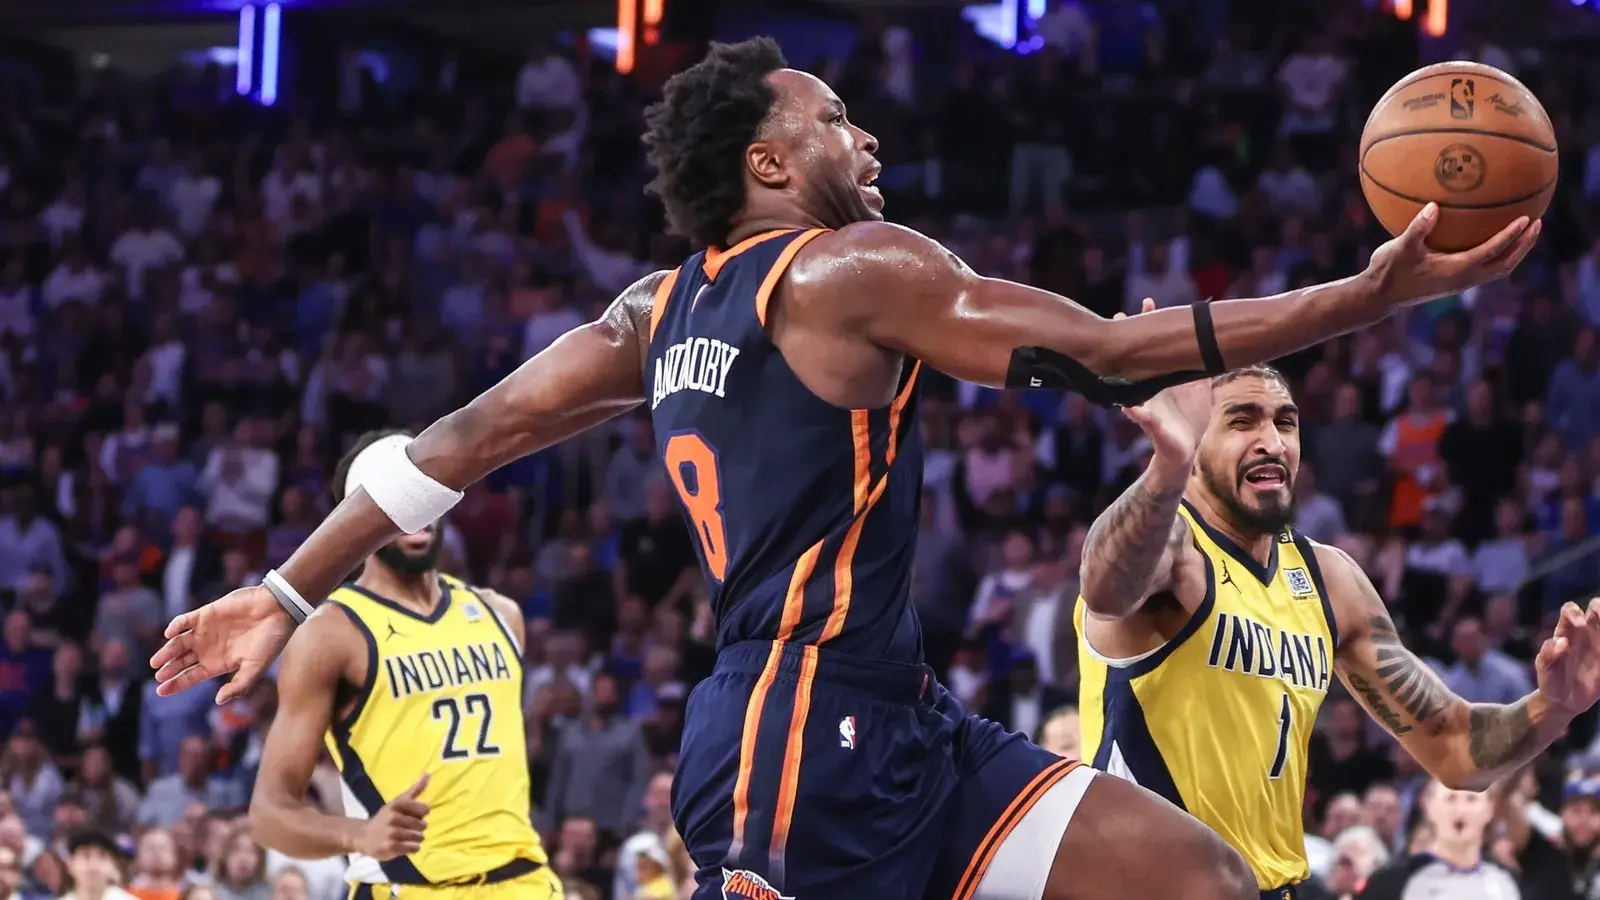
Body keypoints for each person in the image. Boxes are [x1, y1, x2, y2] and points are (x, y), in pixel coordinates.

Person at [154, 38, 1540, 900]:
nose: (862, 139)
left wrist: (279, 593)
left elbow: (440, 456)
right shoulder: (856, 267)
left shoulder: (653, 309)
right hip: (793, 741)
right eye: (832, 121)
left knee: (1194, 878)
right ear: (767, 160)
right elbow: (1113, 352)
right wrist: (1367, 296)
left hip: (900, 722)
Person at [1074, 363, 1600, 898]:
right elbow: (1103, 587)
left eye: (1285, 422)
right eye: (1241, 421)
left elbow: (1455, 747)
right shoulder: (1173, 550)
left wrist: (1555, 705)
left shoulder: (1329, 578)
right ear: (1192, 436)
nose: (1271, 441)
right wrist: (1169, 463)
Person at [245, 431, 562, 899]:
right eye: (396, 498)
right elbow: (270, 815)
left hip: (524, 882)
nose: (415, 511)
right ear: (359, 518)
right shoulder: (332, 633)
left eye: (424, 492)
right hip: (408, 887)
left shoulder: (502, 614)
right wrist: (360, 835)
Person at [1356, 779, 1521, 900]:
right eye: (1450, 798)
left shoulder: (1508, 881)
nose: (1460, 810)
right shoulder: (1392, 881)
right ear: (1427, 805)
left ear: (1490, 809)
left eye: (1471, 799)